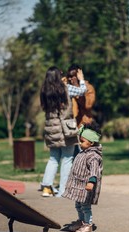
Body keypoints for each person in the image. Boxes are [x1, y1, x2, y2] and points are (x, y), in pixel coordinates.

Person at [40, 66, 87, 197]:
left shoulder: (44, 91)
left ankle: (46, 188)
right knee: (67, 158)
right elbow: (82, 91)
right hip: (66, 128)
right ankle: (62, 191)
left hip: (51, 129)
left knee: (53, 158)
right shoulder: (65, 89)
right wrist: (81, 80)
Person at [62, 121, 103, 232]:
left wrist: (91, 182)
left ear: (91, 142)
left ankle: (88, 225)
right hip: (78, 186)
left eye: (82, 141)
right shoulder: (83, 152)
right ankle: (81, 221)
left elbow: (94, 171)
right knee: (78, 205)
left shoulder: (93, 156)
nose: (80, 143)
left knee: (85, 206)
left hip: (86, 187)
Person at [66, 64, 96, 156]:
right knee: (72, 157)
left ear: (79, 76)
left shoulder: (88, 88)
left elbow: (88, 105)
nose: (70, 79)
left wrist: (78, 91)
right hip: (70, 126)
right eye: (69, 77)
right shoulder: (66, 88)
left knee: (86, 155)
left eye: (73, 76)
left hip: (84, 125)